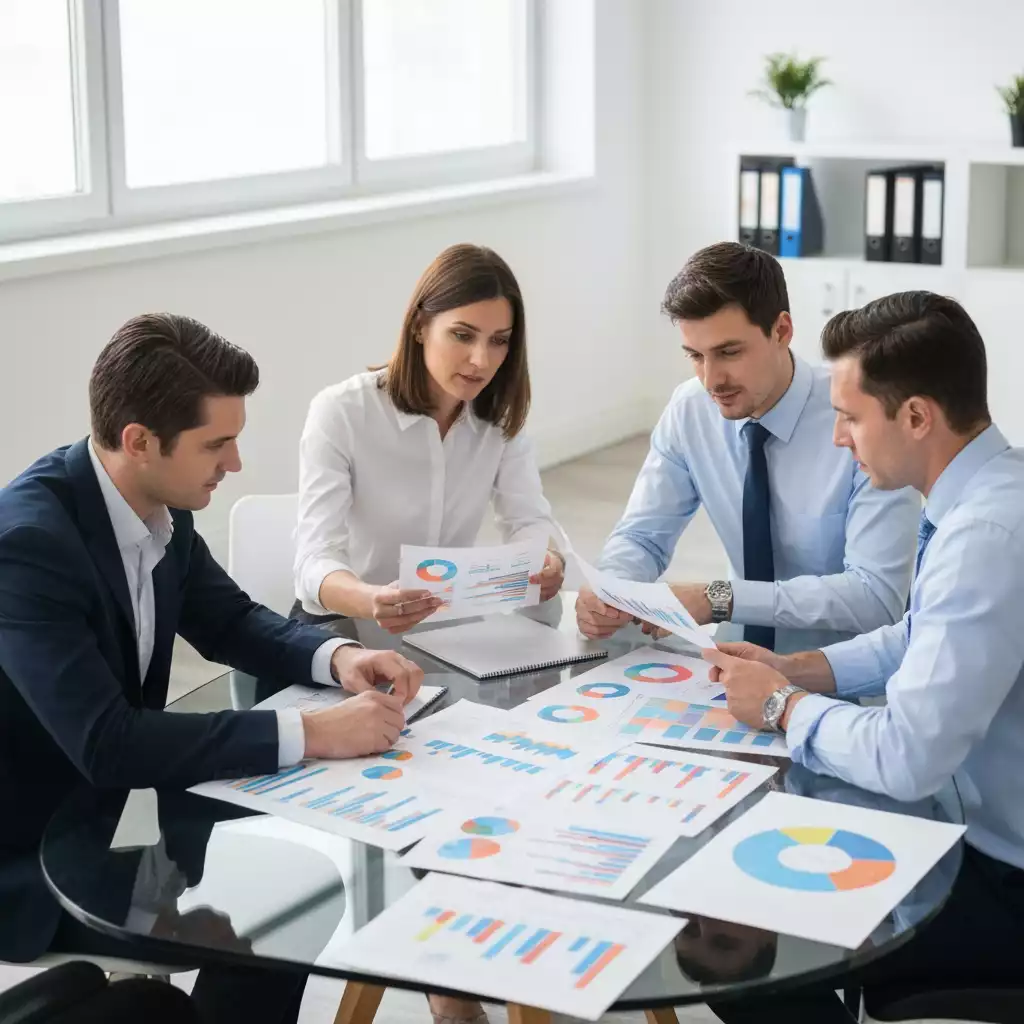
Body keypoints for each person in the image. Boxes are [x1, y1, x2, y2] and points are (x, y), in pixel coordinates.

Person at [0, 313, 424, 1024]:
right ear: (139, 441)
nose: (233, 464)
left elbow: (228, 619)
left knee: (292, 899)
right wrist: (311, 731)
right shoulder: (27, 548)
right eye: (217, 444)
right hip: (30, 853)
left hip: (114, 814)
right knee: (266, 922)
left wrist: (340, 655)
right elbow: (108, 743)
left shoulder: (161, 505)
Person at [701, 292, 1024, 1022]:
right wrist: (797, 671)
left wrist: (783, 709)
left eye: (849, 417)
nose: (839, 438)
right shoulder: (994, 489)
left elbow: (907, 758)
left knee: (750, 936)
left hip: (1003, 879)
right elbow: (919, 633)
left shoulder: (985, 541)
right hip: (977, 829)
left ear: (915, 417)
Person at [577, 242, 919, 654]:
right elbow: (642, 537)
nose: (711, 379)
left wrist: (718, 599)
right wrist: (611, 590)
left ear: (782, 331)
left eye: (729, 352)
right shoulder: (690, 410)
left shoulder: (862, 417)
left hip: (844, 677)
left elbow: (876, 598)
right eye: (695, 356)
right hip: (734, 660)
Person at [293, 243, 564, 636]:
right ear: (420, 326)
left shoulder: (499, 419)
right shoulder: (342, 411)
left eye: (498, 340)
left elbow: (527, 520)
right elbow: (313, 562)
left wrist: (543, 559)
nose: (480, 360)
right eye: (462, 335)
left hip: (443, 627)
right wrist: (371, 600)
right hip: (343, 627)